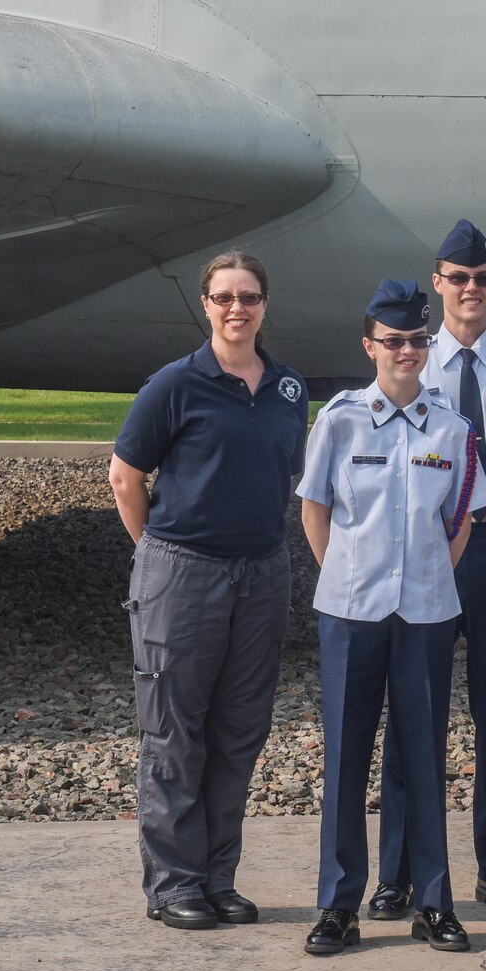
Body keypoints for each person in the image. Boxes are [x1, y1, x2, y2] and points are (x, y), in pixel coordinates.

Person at [108, 251, 310, 930]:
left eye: (248, 296)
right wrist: (156, 554)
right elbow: (125, 477)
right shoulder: (173, 385)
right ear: (205, 304)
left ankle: (219, 877)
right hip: (183, 570)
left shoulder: (287, 388)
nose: (236, 308)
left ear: (265, 304)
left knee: (238, 732)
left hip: (260, 572)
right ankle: (174, 884)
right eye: (223, 297)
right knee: (174, 730)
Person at [370, 220, 486, 922]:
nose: (470, 289)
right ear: (438, 283)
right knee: (413, 709)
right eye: (456, 277)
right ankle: (396, 873)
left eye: (482, 278)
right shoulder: (411, 360)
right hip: (426, 547)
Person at [296, 281, 486, 957]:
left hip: (427, 614)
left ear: (425, 344)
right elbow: (314, 512)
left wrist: (426, 574)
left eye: (415, 340)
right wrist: (347, 574)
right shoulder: (341, 420)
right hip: (351, 611)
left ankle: (434, 902)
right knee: (346, 758)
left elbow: (458, 522)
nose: (405, 351)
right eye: (392, 340)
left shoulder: (453, 430)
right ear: (369, 345)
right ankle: (338, 905)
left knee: (424, 758)